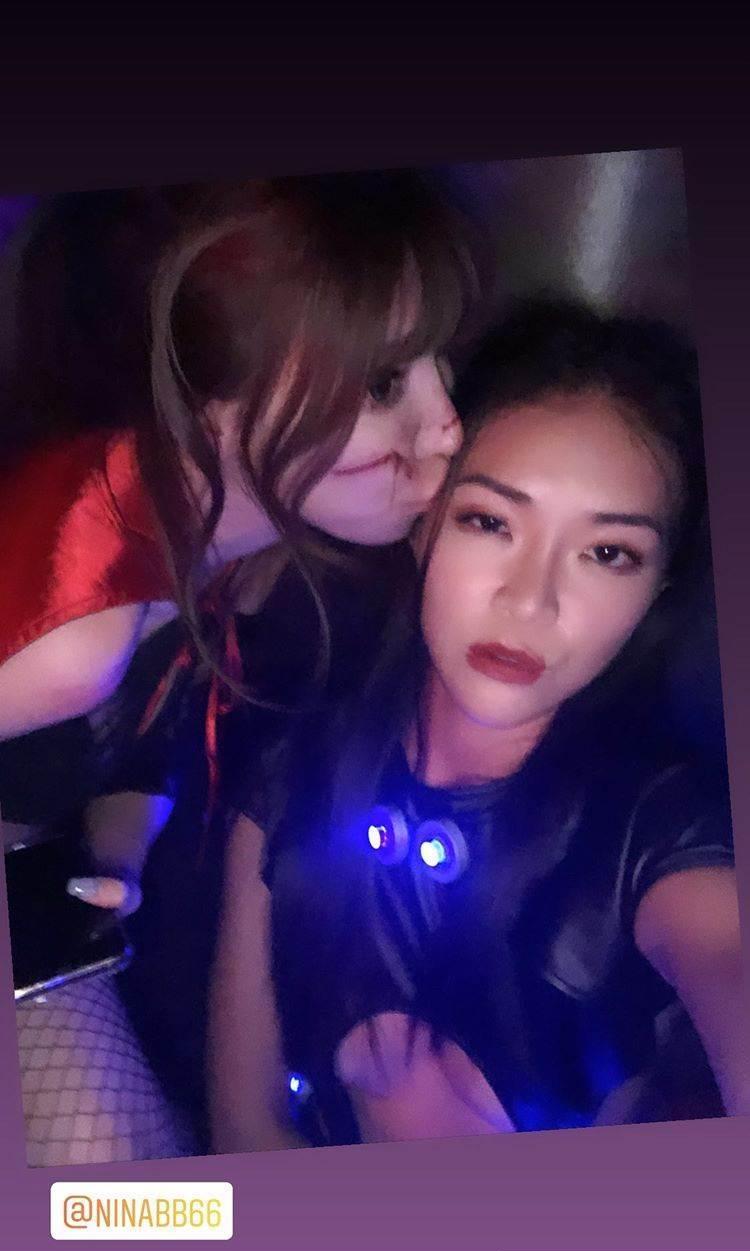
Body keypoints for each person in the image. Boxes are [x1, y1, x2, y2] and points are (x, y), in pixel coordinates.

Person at [1, 170, 480, 1164]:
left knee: (156, 1206)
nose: (448, 426)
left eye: (439, 360)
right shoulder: (76, 636)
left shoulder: (226, 538)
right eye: (383, 383)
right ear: (213, 402)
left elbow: (142, 744)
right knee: (136, 1205)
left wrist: (115, 853)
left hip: (37, 882)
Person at [212, 298, 744, 1152]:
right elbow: (245, 1125)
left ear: (655, 592)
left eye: (608, 553)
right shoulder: (293, 765)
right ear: (422, 524)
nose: (531, 600)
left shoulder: (660, 832)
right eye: (490, 521)